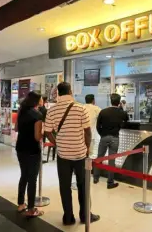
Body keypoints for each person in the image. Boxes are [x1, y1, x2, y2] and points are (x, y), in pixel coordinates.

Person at [45, 82, 100, 225]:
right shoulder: (80, 108)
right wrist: (87, 148)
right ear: (70, 91)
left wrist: (57, 143)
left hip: (63, 155)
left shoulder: (52, 110)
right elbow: (87, 131)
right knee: (83, 186)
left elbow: (47, 131)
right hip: (80, 155)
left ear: (58, 93)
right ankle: (84, 215)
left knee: (64, 186)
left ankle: (68, 217)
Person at [16, 91, 44, 217]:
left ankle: (21, 204)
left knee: (24, 176)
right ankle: (31, 209)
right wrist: (43, 133)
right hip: (32, 150)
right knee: (32, 179)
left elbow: (16, 128)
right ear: (37, 101)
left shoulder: (21, 111)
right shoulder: (37, 115)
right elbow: (37, 137)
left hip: (20, 147)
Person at [94, 93, 129, 189]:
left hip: (104, 137)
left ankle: (95, 178)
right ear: (119, 102)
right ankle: (110, 182)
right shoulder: (121, 113)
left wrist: (102, 134)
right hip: (115, 138)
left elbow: (98, 126)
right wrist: (122, 108)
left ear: (111, 101)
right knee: (111, 160)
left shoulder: (103, 111)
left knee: (99, 157)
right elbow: (127, 120)